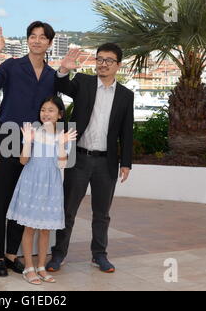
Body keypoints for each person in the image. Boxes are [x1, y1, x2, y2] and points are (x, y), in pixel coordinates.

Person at [46, 43, 134, 273]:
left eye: (109, 61)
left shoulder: (126, 95)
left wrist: (125, 162)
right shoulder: (83, 83)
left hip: (107, 162)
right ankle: (58, 254)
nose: (103, 64)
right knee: (68, 210)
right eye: (100, 59)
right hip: (80, 158)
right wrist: (64, 70)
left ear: (118, 65)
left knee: (102, 213)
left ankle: (99, 255)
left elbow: (127, 130)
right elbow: (61, 85)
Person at [0, 21, 57, 277]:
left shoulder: (51, 75)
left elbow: (55, 110)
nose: (37, 41)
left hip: (37, 143)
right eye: (33, 36)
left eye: (42, 37)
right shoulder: (13, 66)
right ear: (28, 40)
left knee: (23, 200)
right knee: (2, 197)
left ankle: (11, 254)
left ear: (49, 42)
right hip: (9, 137)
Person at [7, 96, 76, 285]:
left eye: (51, 110)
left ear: (60, 115)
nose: (46, 113)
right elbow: (23, 161)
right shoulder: (34, 132)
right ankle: (29, 267)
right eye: (43, 109)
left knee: (45, 229)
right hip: (31, 182)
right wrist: (28, 141)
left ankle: (41, 267)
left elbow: (62, 163)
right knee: (29, 227)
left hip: (51, 185)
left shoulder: (64, 135)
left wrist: (61, 144)